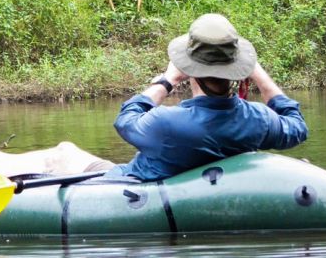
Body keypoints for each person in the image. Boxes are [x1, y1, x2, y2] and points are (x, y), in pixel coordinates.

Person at [108, 13, 308, 181]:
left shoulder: (166, 123)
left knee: (74, 154)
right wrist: (260, 76)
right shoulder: (258, 120)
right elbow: (297, 128)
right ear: (238, 69)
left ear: (188, 68)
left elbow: (125, 121)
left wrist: (167, 81)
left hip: (131, 184)